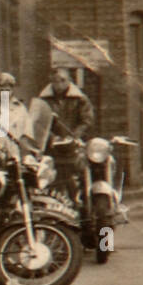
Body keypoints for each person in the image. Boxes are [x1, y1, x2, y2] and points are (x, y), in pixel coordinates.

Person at [37, 67, 97, 199]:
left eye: (62, 81)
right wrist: (53, 137)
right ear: (51, 82)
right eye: (55, 81)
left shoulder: (80, 99)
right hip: (53, 146)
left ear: (69, 81)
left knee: (81, 172)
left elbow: (87, 120)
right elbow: (40, 122)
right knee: (50, 177)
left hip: (74, 145)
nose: (59, 84)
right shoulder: (44, 100)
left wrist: (75, 135)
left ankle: (84, 200)